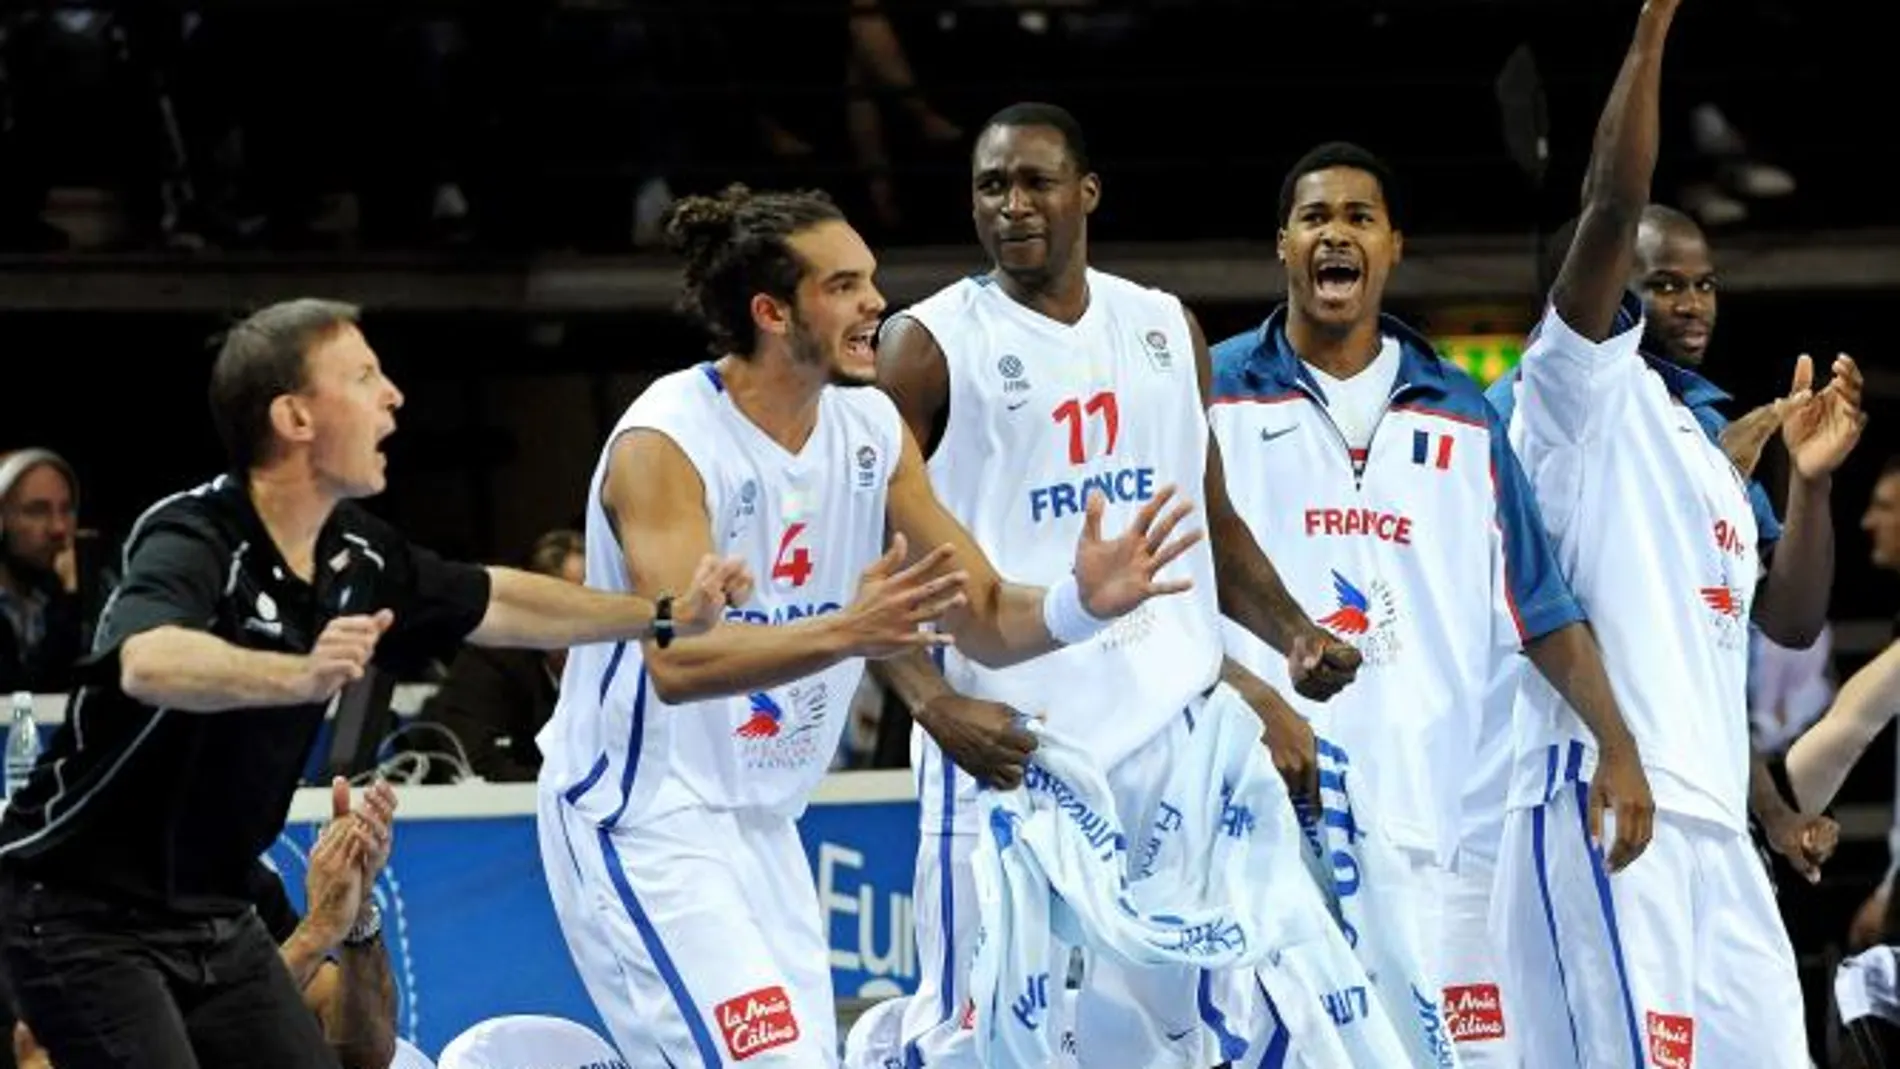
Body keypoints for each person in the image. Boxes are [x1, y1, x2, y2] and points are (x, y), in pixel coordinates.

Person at [534, 182, 1204, 1068]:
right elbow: (681, 662)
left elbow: (986, 614)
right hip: (642, 815)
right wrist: (851, 631)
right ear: (772, 312)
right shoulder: (667, 440)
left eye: (871, 279)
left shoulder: (870, 427)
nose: (875, 303)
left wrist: (1080, 600)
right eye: (844, 286)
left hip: (764, 823)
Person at [0, 297, 751, 1069]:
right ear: (294, 416)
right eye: (363, 375)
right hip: (78, 909)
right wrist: (301, 673)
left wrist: (662, 614)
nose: (392, 393)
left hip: (216, 910)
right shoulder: (195, 534)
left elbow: (499, 597)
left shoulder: (358, 551)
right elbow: (147, 661)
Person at [849, 102, 1362, 1069]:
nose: (1012, 205)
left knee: (1188, 1035)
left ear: (1087, 192)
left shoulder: (1166, 325)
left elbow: (1207, 516)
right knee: (979, 1030)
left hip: (1166, 744)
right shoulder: (928, 345)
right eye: (991, 187)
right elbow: (859, 549)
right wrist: (929, 699)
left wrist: (1291, 629)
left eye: (1035, 181)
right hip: (1008, 741)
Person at [1205, 139, 1653, 1069]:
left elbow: (1540, 608)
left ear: (1394, 246)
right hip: (1249, 825)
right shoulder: (1206, 392)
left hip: (1428, 837)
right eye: (1315, 217)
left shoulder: (1463, 414)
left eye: (1359, 217)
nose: (1336, 234)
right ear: (1281, 244)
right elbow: (1159, 584)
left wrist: (1618, 743)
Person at [1483, 0, 1864, 1063]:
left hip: (1712, 829)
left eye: (1703, 280)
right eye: (1661, 281)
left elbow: (1783, 625)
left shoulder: (1706, 447)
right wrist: (1649, 36)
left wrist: (1814, 485)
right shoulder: (1570, 395)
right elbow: (1611, 203)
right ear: (1610, 296)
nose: (1689, 300)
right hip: (1608, 798)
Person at [12, 777, 404, 1069]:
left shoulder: (230, 881)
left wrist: (356, 921)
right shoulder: (43, 903)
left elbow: (363, 1053)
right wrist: (316, 935)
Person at [417, 528, 586, 782]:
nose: (595, 618)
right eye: (578, 602)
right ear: (540, 609)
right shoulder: (490, 662)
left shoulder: (622, 669)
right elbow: (479, 770)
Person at [0, 449, 87, 694]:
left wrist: (70, 599)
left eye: (67, 510)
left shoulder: (68, 599)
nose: (59, 528)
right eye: (37, 511)